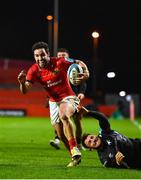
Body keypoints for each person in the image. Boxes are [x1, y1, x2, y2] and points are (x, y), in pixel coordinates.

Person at [17, 41, 89, 167]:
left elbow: (79, 62)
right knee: (60, 135)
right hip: (53, 101)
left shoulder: (60, 62)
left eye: (42, 55)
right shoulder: (33, 70)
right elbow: (25, 91)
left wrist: (86, 74)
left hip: (68, 97)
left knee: (64, 115)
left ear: (48, 54)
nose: (40, 58)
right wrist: (22, 83)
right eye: (37, 56)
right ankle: (74, 155)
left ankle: (76, 147)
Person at [49, 48, 87, 150]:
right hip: (58, 98)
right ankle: (59, 140)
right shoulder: (53, 68)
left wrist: (81, 93)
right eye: (59, 55)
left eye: (63, 55)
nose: (61, 57)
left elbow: (82, 81)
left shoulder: (73, 66)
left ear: (68, 56)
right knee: (61, 119)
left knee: (77, 120)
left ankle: (78, 142)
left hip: (73, 97)